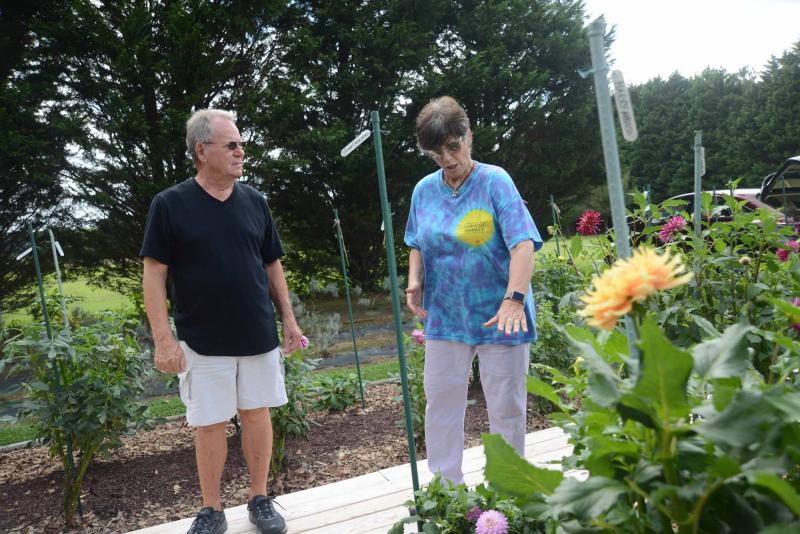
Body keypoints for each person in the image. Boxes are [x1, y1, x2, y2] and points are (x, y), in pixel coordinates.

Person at [141, 109, 301, 534]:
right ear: (201, 150)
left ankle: (259, 499)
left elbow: (272, 264)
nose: (240, 151)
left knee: (257, 413)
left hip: (257, 334)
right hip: (201, 339)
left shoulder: (255, 202)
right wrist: (163, 340)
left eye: (241, 144)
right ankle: (211, 509)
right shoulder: (170, 205)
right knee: (209, 422)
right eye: (230, 144)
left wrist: (288, 318)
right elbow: (154, 274)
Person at [404, 96, 542, 485]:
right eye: (436, 153)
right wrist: (415, 279)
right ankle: (446, 492)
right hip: (446, 314)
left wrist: (514, 299)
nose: (447, 159)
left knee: (506, 408)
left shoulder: (495, 181)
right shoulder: (424, 191)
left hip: (501, 314)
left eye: (453, 146)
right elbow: (416, 240)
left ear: (469, 138)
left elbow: (524, 244)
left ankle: (509, 488)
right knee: (441, 404)